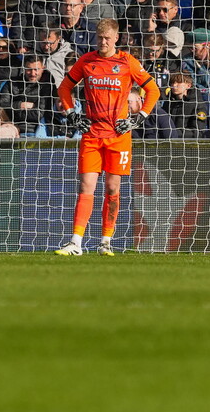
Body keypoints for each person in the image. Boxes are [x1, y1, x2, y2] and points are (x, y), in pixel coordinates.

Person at [54, 18, 160, 256]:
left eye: (107, 38)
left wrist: (139, 117)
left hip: (118, 135)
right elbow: (64, 88)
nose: (103, 42)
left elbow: (153, 90)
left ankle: (105, 242)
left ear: (117, 38)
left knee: (113, 188)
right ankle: (76, 242)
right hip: (92, 133)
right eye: (99, 38)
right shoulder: (87, 61)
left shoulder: (127, 62)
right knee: (86, 186)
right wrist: (72, 114)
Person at [0, 54, 61, 137]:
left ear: (43, 68)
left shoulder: (48, 85)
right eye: (29, 69)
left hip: (38, 131)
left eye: (36, 69)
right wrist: (19, 105)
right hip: (12, 129)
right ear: (24, 68)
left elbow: (39, 114)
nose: (33, 73)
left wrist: (14, 108)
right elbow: (1, 108)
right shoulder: (12, 83)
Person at [164, 72, 210, 137]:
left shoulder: (197, 104)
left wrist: (173, 133)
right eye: (172, 83)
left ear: (188, 85)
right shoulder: (168, 102)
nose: (174, 85)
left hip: (188, 144)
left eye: (178, 82)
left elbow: (198, 132)